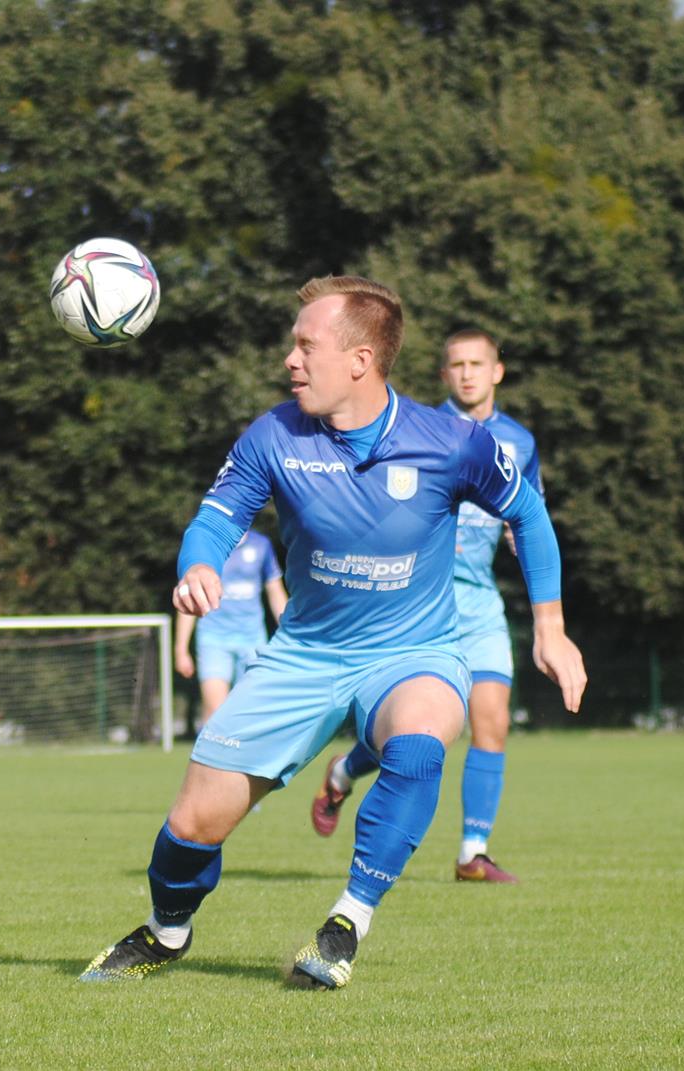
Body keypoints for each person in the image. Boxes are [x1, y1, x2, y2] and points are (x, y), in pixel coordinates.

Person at [80, 276, 584, 990]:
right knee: (192, 824)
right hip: (304, 655)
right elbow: (218, 517)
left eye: (304, 344)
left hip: (415, 650)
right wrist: (199, 565)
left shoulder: (453, 442)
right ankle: (167, 931)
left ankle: (348, 920)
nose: (290, 359)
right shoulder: (275, 434)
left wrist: (551, 627)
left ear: (360, 359)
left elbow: (528, 513)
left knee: (421, 738)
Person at [310, 329, 540, 883]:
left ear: (496, 372)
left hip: (480, 602)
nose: (466, 373)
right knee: (429, 731)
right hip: (420, 600)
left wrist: (520, 534)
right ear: (444, 375)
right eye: (456, 365)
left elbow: (530, 510)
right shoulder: (421, 432)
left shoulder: (520, 442)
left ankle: (471, 854)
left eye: (476, 364)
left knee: (492, 723)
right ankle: (345, 770)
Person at [173, 529, 287, 730]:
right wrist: (181, 650)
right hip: (213, 639)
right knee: (215, 713)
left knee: (252, 712)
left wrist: (290, 633)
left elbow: (275, 592)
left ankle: (246, 760)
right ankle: (211, 760)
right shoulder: (207, 544)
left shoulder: (262, 545)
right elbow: (189, 599)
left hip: (252, 640)